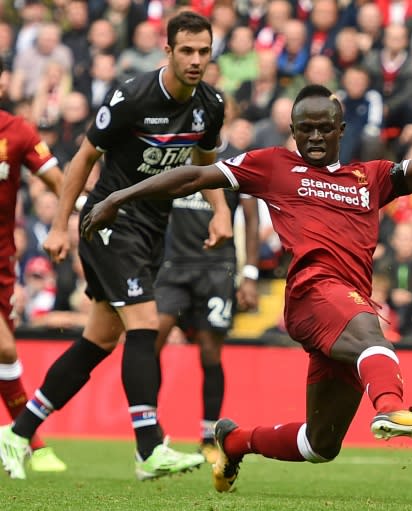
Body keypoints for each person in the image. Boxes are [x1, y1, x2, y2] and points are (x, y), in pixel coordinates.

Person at [79, 85, 412, 493]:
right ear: (291, 129)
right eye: (304, 129)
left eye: (323, 129)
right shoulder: (274, 166)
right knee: (374, 340)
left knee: (320, 444)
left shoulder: (372, 177)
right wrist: (120, 196)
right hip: (313, 293)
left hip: (346, 307)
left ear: (341, 129)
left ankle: (234, 441)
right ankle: (392, 408)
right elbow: (197, 175)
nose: (313, 137)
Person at [0, 11, 232, 481]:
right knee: (144, 322)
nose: (195, 60)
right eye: (186, 50)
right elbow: (85, 156)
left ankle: (18, 431)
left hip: (151, 230)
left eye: (203, 52)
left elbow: (204, 163)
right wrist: (61, 225)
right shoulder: (132, 96)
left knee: (99, 340)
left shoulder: (211, 104)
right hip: (109, 219)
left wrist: (222, 211)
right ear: (167, 51)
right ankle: (149, 447)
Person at [154, 190, 260, 464]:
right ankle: (150, 430)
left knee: (210, 353)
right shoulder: (175, 154)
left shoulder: (233, 164)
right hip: (173, 265)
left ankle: (207, 437)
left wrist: (249, 274)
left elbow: (251, 219)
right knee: (150, 340)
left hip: (216, 267)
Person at [0, 57, 67, 475]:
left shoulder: (17, 130)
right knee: (4, 346)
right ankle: (28, 438)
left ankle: (22, 438)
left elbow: (59, 182)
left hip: (4, 262)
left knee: (4, 355)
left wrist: (67, 222)